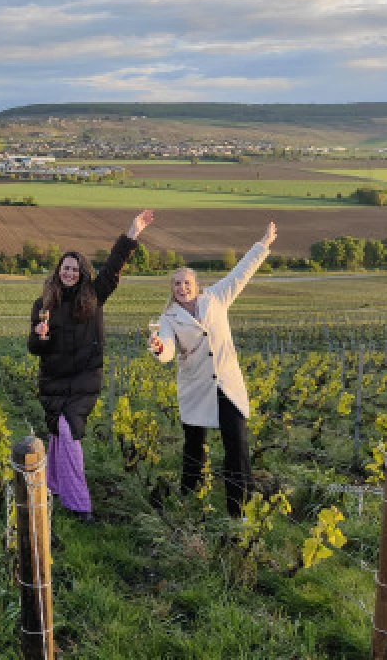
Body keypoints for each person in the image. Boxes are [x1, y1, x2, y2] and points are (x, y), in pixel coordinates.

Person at [28, 209, 154, 523]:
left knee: (68, 431)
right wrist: (39, 336)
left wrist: (132, 233)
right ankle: (55, 485)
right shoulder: (43, 305)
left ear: (82, 272)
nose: (69, 273)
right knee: (57, 430)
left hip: (84, 379)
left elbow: (112, 270)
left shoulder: (94, 296)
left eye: (74, 269)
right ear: (58, 272)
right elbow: (33, 349)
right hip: (54, 380)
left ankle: (79, 503)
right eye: (65, 268)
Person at [149, 222, 277, 518]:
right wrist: (158, 348)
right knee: (195, 446)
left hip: (227, 386)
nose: (182, 287)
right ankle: (189, 496)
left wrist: (263, 244)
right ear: (172, 289)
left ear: (196, 284)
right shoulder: (168, 317)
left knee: (237, 446)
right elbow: (167, 348)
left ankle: (239, 509)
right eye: (176, 283)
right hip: (196, 388)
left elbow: (241, 273)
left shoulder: (217, 298)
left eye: (186, 282)